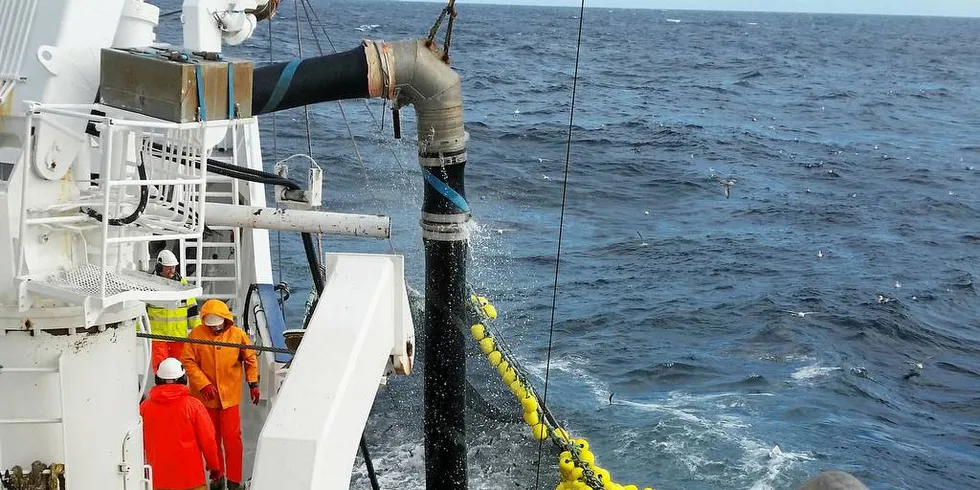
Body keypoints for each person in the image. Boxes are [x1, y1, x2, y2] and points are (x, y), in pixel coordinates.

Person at [182, 299, 259, 490]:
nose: (215, 329)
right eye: (212, 326)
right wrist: (203, 384)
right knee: (211, 440)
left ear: (226, 320)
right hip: (206, 401)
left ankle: (234, 481)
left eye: (218, 325)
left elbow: (249, 359)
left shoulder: (237, 335)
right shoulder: (196, 335)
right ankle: (217, 478)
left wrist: (253, 384)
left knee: (233, 441)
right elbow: (188, 361)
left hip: (229, 398)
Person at [140, 357, 223, 490]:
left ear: (157, 380)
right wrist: (214, 467)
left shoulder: (144, 408)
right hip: (192, 480)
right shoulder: (194, 406)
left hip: (157, 482)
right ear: (183, 379)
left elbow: (138, 444)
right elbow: (208, 440)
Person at [147, 249, 200, 373]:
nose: (172, 271)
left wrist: (198, 332)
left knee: (180, 370)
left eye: (173, 267)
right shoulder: (149, 284)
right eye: (168, 268)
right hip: (158, 337)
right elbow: (142, 310)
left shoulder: (182, 284)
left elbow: (192, 308)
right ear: (159, 267)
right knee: (160, 370)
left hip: (178, 336)